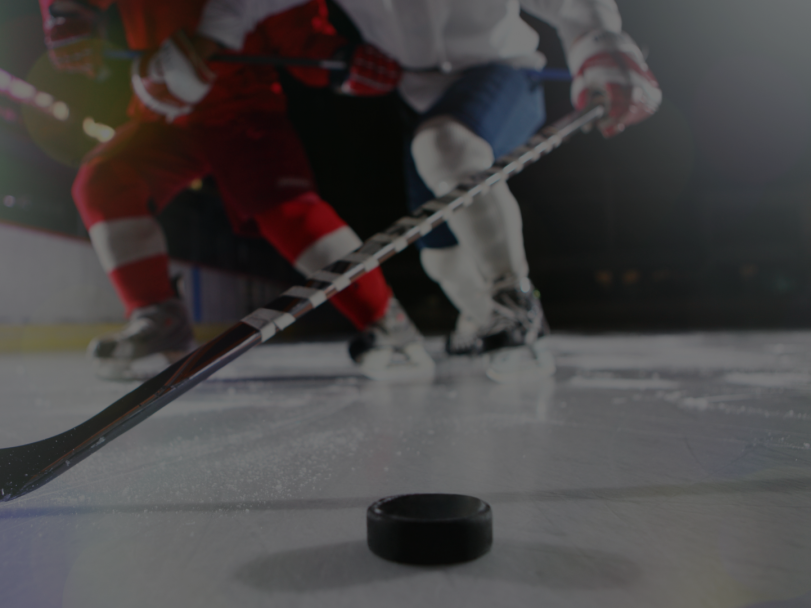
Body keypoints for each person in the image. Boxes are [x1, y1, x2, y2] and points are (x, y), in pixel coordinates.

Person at [192, 0, 661, 381]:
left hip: (504, 73)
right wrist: (198, 47)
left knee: (445, 145)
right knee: (441, 258)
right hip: (421, 97)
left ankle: (516, 304)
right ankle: (484, 317)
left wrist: (601, 44)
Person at [39, 0, 433, 379]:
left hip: (245, 110)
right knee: (105, 182)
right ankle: (159, 318)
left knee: (292, 214)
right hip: (165, 110)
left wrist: (341, 61)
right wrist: (64, 14)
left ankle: (387, 321)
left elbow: (296, 27)